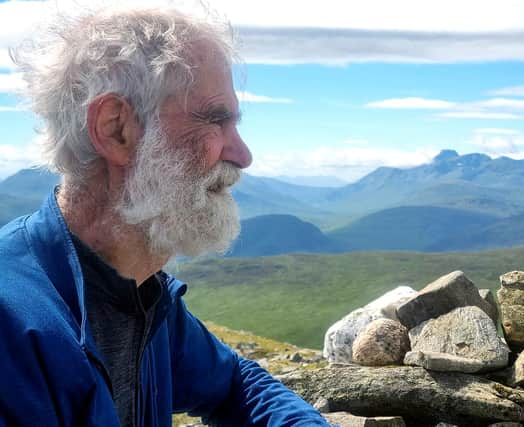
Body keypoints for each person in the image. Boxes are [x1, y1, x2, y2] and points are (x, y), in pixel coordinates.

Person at [0, 5, 331, 427]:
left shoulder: (140, 294)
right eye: (216, 120)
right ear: (116, 128)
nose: (243, 155)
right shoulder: (12, 329)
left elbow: (233, 381)